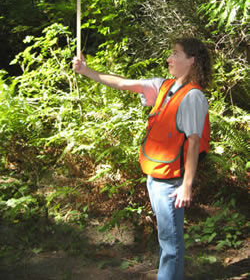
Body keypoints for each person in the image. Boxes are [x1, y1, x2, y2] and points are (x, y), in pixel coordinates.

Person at [72, 37, 212, 280]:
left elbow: (193, 142)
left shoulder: (193, 97)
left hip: (172, 183)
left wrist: (186, 187)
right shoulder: (164, 86)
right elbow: (123, 83)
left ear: (192, 60)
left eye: (175, 54)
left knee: (171, 244)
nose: (169, 58)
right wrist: (86, 71)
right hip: (155, 176)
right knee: (167, 239)